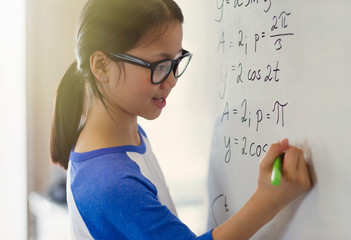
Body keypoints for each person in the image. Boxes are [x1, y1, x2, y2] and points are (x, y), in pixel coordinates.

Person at [50, 0, 312, 239]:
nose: (172, 80)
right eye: (159, 66)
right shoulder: (111, 183)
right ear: (101, 66)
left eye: (176, 62)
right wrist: (267, 202)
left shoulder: (129, 134)